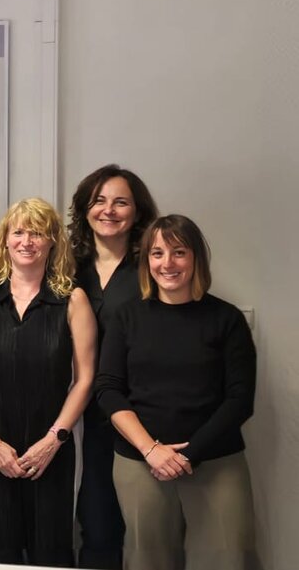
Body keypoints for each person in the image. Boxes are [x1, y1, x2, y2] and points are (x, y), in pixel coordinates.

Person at [96, 215, 256, 569]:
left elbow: (240, 400)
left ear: (196, 257)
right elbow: (108, 390)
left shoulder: (227, 319)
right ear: (147, 261)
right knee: (147, 561)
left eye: (179, 252)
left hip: (217, 462)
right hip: (141, 464)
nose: (167, 263)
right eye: (157, 253)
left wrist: (188, 455)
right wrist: (151, 450)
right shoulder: (126, 318)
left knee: (227, 559)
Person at [0, 197, 97, 566]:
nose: (27, 241)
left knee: (52, 553)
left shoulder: (72, 300)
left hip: (55, 448)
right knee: (0, 553)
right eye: (19, 232)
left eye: (38, 233)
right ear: (5, 240)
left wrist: (54, 440)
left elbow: (84, 380)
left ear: (53, 242)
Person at [66, 164, 158, 569]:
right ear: (85, 209)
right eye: (99, 201)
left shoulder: (153, 268)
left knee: (146, 531)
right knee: (96, 525)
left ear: (137, 212)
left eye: (121, 202)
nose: (108, 210)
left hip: (138, 413)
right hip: (78, 415)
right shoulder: (65, 266)